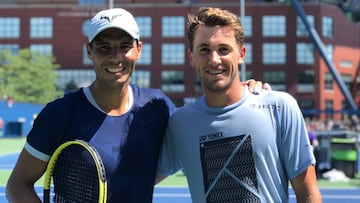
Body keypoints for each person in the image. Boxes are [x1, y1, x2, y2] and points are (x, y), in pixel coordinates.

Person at [6, 7, 267, 203]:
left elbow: (203, 124)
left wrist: (240, 92)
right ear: (89, 51)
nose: (115, 57)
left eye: (124, 46)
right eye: (104, 47)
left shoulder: (157, 107)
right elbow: (18, 185)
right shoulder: (60, 113)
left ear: (138, 49)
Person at [157, 7, 322, 203]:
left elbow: (308, 194)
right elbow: (137, 179)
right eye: (204, 50)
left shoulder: (280, 107)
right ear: (191, 57)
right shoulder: (179, 123)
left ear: (241, 54)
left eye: (223, 49)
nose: (214, 59)